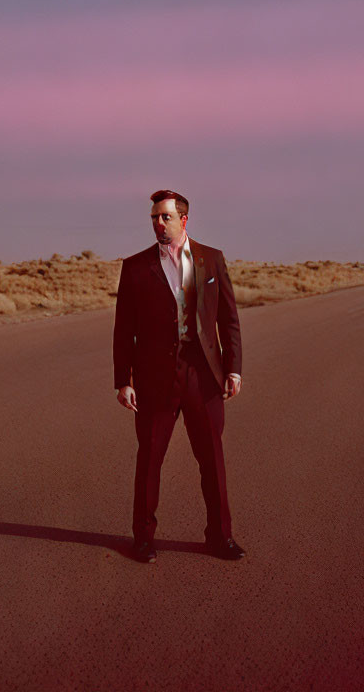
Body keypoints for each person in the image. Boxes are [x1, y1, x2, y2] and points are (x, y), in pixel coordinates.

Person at [113, 189, 245, 564]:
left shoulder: (211, 260)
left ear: (184, 220)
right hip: (156, 377)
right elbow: (123, 329)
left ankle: (220, 538)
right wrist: (124, 379)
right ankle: (143, 539)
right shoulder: (136, 267)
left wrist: (233, 368)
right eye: (154, 217)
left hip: (202, 376)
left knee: (212, 459)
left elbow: (228, 320)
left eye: (165, 217)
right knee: (150, 459)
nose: (158, 223)